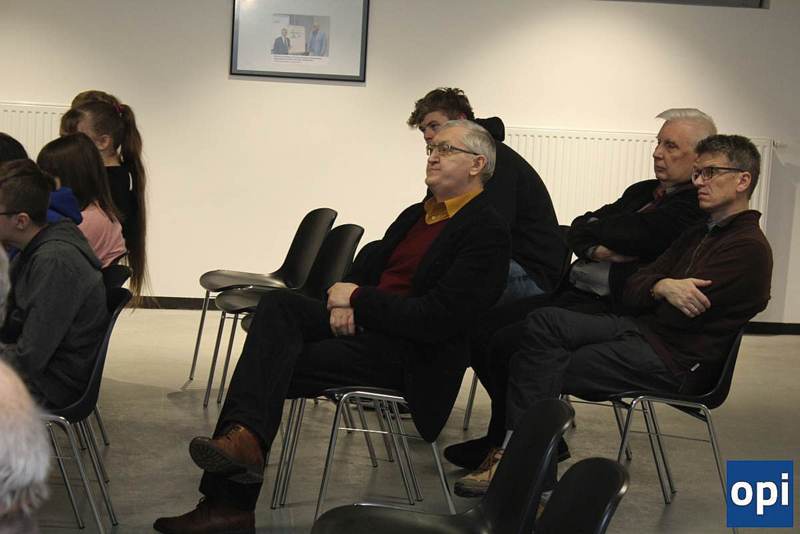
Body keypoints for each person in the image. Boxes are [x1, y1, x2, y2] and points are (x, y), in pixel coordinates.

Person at [152, 120, 510, 534]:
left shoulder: (486, 230)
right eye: (432, 149)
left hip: (410, 356)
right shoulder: (418, 214)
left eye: (446, 149)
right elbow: (368, 264)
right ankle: (242, 447)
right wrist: (345, 295)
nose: (432, 155)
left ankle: (229, 500)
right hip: (368, 330)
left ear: (477, 164)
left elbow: (436, 319)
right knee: (279, 307)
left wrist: (356, 299)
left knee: (270, 361)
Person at [454, 134, 773, 497]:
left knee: (532, 363)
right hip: (641, 332)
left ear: (742, 180)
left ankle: (522, 475)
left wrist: (653, 289)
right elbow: (635, 286)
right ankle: (524, 468)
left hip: (673, 360)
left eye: (710, 172)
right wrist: (661, 285)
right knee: (543, 324)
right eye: (698, 173)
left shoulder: (747, 249)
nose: (699, 181)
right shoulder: (700, 232)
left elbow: (672, 315)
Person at [408, 88, 566, 305]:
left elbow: (490, 235)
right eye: (423, 129)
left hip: (529, 271)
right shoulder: (452, 166)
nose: (427, 135)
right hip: (502, 259)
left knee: (432, 279)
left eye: (434, 125)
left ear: (460, 119)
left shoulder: (495, 162)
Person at [0, 159, 108, 410]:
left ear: (21, 221)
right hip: (41, 370)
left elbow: (29, 358)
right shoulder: (33, 247)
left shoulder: (55, 263)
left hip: (51, 383)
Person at [61, 91, 148, 296]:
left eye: (73, 139)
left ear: (103, 141)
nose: (65, 147)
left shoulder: (105, 184)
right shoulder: (115, 176)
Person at [37, 133, 126, 267]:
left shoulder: (88, 220)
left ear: (69, 176)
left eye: (47, 175)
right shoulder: (95, 212)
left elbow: (50, 263)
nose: (41, 182)